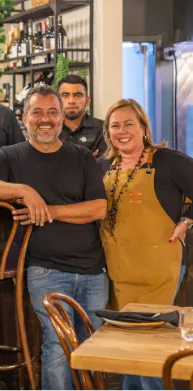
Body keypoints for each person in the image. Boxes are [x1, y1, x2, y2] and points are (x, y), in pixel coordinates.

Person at [0, 84, 108, 391]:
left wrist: (49, 210)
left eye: (52, 112)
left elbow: (99, 208)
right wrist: (24, 191)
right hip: (46, 270)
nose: (45, 119)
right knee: (57, 346)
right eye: (37, 112)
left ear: (61, 117)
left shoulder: (81, 156)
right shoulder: (10, 156)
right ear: (24, 118)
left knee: (94, 346)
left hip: (94, 270)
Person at [100, 98, 193, 391]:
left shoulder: (168, 161)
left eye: (129, 124)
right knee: (127, 348)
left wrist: (186, 221)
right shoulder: (103, 165)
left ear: (143, 127)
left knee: (150, 349)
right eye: (115, 126)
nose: (122, 131)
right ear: (107, 132)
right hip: (119, 270)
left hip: (159, 269)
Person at [58, 74, 107, 157]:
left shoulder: (103, 129)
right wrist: (88, 159)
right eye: (65, 95)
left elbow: (102, 162)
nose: (71, 101)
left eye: (77, 95)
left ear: (87, 101)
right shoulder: (50, 129)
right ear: (56, 101)